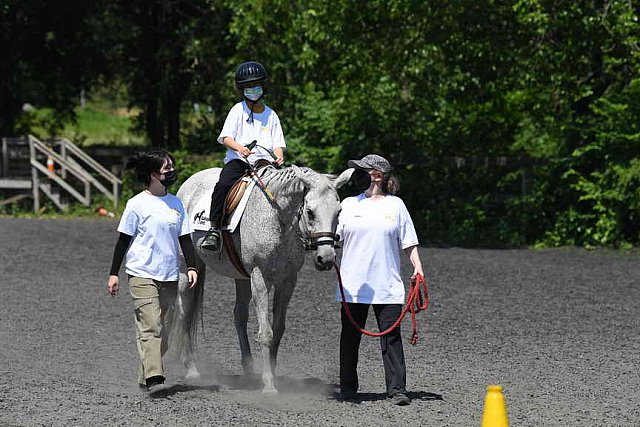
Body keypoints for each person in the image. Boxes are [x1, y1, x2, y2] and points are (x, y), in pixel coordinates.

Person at [107, 149, 198, 394]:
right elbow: (123, 241)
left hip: (168, 275)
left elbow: (185, 239)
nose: (172, 172)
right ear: (153, 174)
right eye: (167, 168)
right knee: (151, 327)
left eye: (172, 167)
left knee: (164, 335)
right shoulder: (136, 204)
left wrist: (190, 267)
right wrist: (114, 273)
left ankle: (144, 375)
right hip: (141, 273)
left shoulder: (176, 203)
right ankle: (155, 375)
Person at [335, 154, 424, 406]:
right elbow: (334, 237)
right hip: (352, 285)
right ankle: (348, 387)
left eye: (362, 170)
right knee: (350, 336)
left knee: (391, 336)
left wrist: (418, 268)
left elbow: (409, 242)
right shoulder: (349, 205)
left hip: (386, 283)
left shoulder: (396, 206)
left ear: (378, 175)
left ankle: (397, 389)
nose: (357, 175)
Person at [201, 61, 286, 251]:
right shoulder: (237, 110)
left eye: (256, 86)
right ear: (242, 89)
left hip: (265, 165)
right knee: (223, 184)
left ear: (263, 87)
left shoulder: (272, 115)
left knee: (290, 187)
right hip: (240, 162)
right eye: (248, 87)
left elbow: (278, 144)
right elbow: (225, 137)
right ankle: (214, 228)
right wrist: (239, 148)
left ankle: (293, 230)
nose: (252, 90)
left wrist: (279, 157)